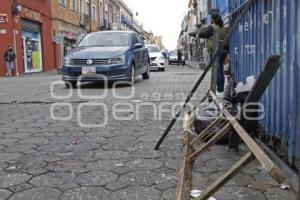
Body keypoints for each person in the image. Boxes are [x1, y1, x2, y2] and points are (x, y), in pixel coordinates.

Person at [197, 10, 228, 96]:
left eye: (210, 18)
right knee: (221, 70)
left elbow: (202, 34)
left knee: (217, 71)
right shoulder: (223, 27)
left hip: (215, 51)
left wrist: (201, 30)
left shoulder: (212, 27)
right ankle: (221, 90)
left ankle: (219, 90)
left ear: (213, 19)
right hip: (223, 51)